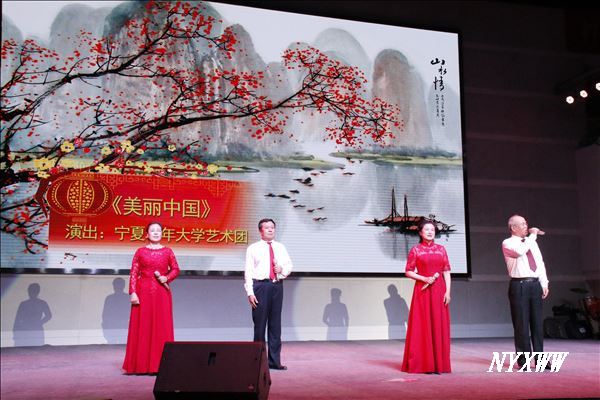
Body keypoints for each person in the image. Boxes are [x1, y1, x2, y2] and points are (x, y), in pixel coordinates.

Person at [123, 222, 180, 374]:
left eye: (158, 230)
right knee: (143, 326)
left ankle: (161, 365)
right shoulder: (140, 251)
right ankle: (141, 365)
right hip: (143, 292)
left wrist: (166, 278)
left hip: (162, 293)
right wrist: (133, 292)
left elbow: (176, 269)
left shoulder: (167, 251)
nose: (156, 233)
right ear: (147, 234)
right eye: (152, 230)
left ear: (162, 233)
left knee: (162, 326)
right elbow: (134, 273)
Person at [401, 219, 451, 374]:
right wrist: (424, 278)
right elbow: (408, 271)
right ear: (420, 233)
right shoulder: (416, 250)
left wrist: (448, 291)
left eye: (432, 230)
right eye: (427, 229)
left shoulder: (441, 249)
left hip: (439, 289)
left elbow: (446, 271)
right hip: (422, 290)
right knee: (422, 325)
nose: (430, 232)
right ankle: (425, 364)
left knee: (438, 324)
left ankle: (438, 365)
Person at [244, 218, 293, 370]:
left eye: (272, 227)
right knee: (260, 326)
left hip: (276, 286)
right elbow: (248, 271)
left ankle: (274, 361)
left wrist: (282, 270)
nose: (271, 230)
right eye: (267, 228)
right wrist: (250, 292)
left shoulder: (280, 247)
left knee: (275, 325)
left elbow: (289, 265)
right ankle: (257, 362)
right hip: (260, 286)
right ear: (261, 231)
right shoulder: (253, 248)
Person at [502, 215, 549, 368]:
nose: (525, 226)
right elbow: (520, 252)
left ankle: (541, 359)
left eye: (526, 223)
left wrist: (544, 282)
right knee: (521, 324)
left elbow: (539, 263)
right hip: (519, 284)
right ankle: (524, 360)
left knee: (537, 324)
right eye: (522, 224)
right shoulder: (508, 243)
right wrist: (533, 235)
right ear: (513, 228)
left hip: (534, 284)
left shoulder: (531, 242)